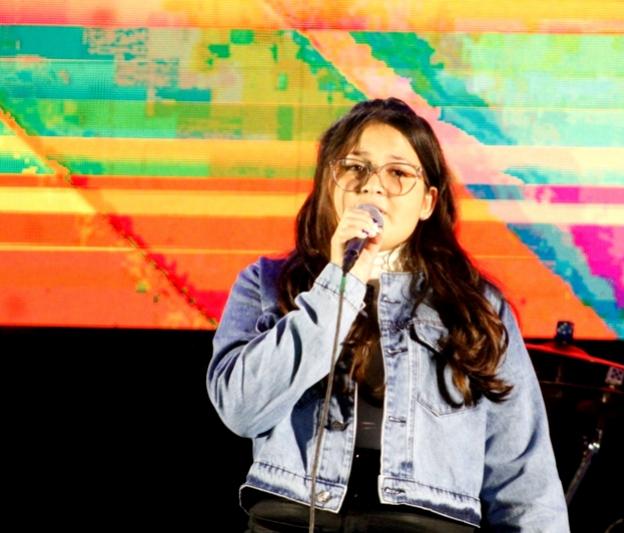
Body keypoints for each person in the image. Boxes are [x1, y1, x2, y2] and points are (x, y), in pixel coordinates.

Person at [207, 97, 570, 532]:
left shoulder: (477, 305)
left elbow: (524, 478)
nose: (373, 187)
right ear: (328, 186)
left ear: (428, 201)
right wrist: (338, 285)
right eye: (354, 168)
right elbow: (241, 409)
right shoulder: (266, 283)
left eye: (398, 173)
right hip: (293, 519)